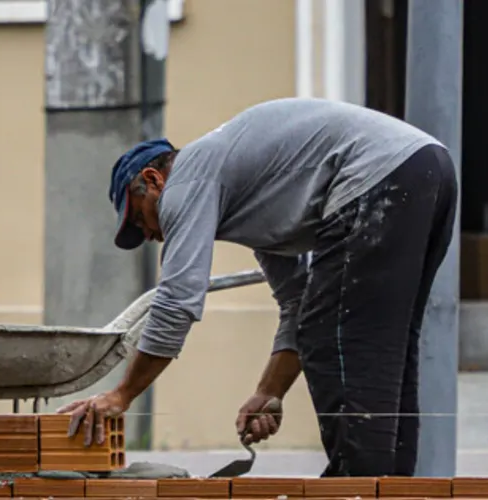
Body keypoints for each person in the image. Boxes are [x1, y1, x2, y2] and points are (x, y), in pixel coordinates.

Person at [55, 97, 457, 477]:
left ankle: (357, 485)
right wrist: (269, 391)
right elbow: (299, 304)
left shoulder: (187, 181)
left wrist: (121, 395)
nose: (149, 236)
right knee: (382, 345)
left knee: (340, 337)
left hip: (379, 175)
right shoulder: (253, 197)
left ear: (154, 179)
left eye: (140, 219)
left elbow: (176, 301)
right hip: (427, 167)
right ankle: (395, 487)